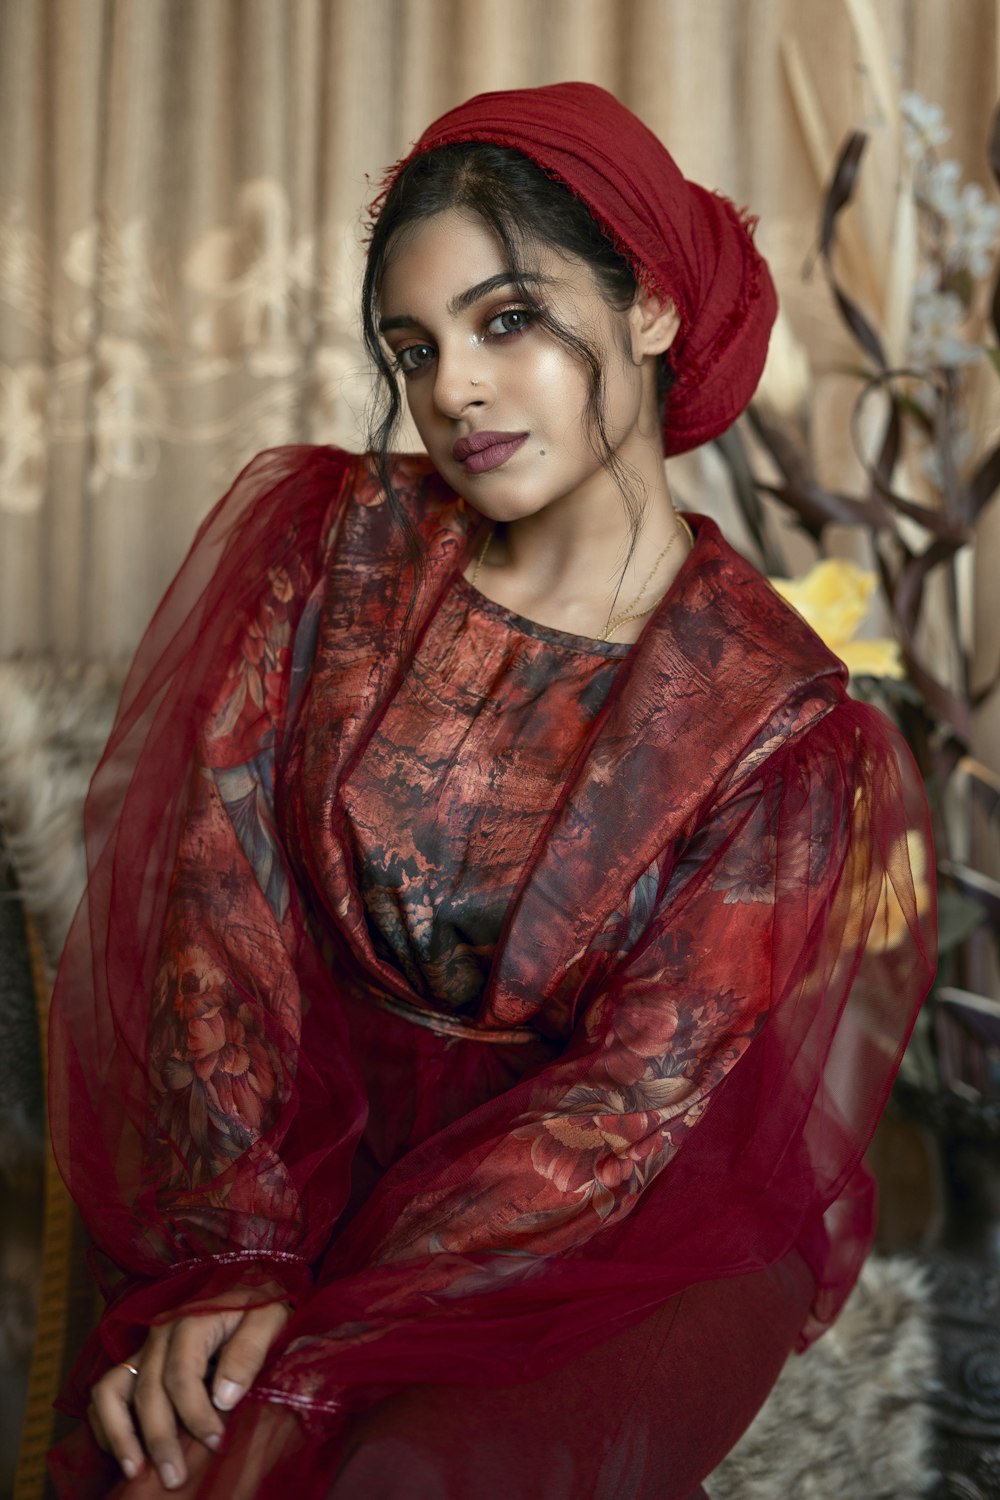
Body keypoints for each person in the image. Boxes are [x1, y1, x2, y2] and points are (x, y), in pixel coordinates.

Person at [48, 83, 935, 1500]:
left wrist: (320, 1347)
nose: (452, 385)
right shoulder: (333, 547)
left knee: (400, 1476)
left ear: (645, 306)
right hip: (287, 1166)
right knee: (164, 1455)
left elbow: (621, 1111)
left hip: (616, 1226)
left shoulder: (779, 728)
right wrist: (242, 1257)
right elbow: (223, 909)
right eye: (416, 346)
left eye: (508, 319)